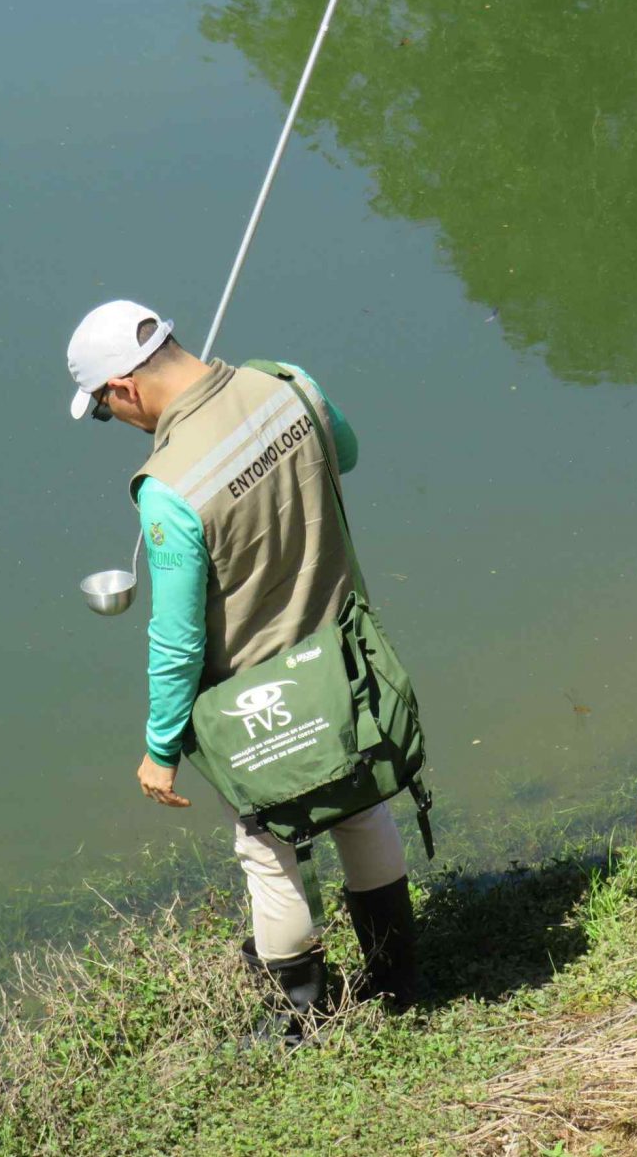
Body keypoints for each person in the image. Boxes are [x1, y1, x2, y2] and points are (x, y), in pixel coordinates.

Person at [65, 299, 420, 1042]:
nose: (115, 422)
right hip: (344, 659)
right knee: (361, 807)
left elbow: (177, 639)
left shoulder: (166, 490)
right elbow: (344, 452)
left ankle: (305, 1022)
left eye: (104, 409)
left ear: (124, 389)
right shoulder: (289, 383)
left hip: (262, 700)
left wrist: (161, 749)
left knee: (269, 851)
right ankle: (399, 979)